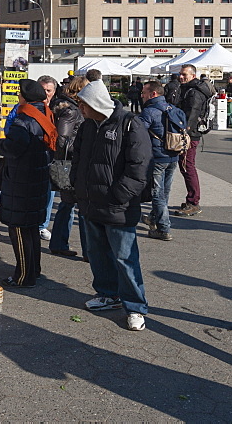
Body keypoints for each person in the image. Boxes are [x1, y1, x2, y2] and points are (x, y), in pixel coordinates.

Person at [71, 80, 152, 331]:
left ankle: (135, 307)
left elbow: (140, 167)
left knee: (125, 258)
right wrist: (76, 187)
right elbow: (78, 158)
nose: (80, 109)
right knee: (97, 253)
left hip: (118, 205)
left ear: (95, 103)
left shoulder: (130, 124)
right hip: (90, 202)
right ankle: (108, 294)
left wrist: (119, 195)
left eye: (83, 104)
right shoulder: (87, 127)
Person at [0, 79, 56, 287]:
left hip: (22, 179)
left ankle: (23, 276)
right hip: (37, 177)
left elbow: (14, 147)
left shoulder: (24, 118)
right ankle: (33, 270)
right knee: (30, 229)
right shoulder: (45, 113)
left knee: (19, 229)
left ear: (25, 97)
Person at [137, 81, 185, 241]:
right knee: (165, 191)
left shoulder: (149, 111)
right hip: (173, 155)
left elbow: (138, 133)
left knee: (157, 193)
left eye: (144, 92)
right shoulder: (174, 109)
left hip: (157, 157)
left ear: (153, 94)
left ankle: (163, 228)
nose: (142, 95)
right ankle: (153, 217)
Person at [46, 75, 88, 259]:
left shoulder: (66, 106)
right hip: (71, 164)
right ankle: (90, 251)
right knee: (82, 207)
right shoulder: (70, 110)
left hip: (70, 163)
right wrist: (83, 146)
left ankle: (59, 243)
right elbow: (62, 140)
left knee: (67, 205)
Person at [174, 64, 215, 216]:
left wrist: (185, 133)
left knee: (187, 166)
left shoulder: (194, 92)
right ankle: (192, 199)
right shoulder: (191, 89)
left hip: (190, 135)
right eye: (180, 74)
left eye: (184, 74)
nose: (181, 76)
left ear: (193, 75)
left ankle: (193, 202)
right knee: (186, 166)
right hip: (192, 133)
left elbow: (191, 114)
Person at [36, 75, 62, 241]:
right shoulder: (28, 106)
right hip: (33, 156)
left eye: (49, 90)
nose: (46, 94)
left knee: (49, 192)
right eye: (43, 90)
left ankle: (42, 226)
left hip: (51, 156)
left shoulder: (58, 108)